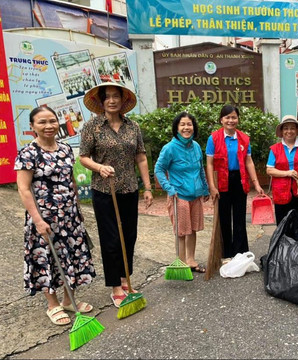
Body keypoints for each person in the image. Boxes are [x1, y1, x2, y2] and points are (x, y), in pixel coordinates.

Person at [15, 106, 96, 326]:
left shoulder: (66, 149)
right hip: (44, 217)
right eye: (42, 122)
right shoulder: (28, 153)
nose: (49, 126)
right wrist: (38, 221)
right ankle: (52, 305)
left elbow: (71, 181)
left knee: (72, 254)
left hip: (69, 216)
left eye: (52, 121)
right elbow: (23, 189)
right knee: (47, 258)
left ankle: (69, 300)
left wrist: (77, 208)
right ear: (32, 126)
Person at [79, 82, 153, 307]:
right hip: (104, 191)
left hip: (128, 189)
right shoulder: (92, 126)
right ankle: (115, 286)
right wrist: (99, 167)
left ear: (123, 101)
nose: (111, 101)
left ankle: (126, 278)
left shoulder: (133, 127)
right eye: (107, 97)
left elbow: (140, 157)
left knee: (129, 236)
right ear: (101, 102)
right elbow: (83, 157)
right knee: (111, 239)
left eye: (116, 97)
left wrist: (148, 188)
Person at [206, 105, 265, 263]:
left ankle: (241, 252)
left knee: (239, 218)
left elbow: (249, 162)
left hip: (239, 180)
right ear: (221, 120)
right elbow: (210, 164)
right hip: (222, 181)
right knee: (224, 218)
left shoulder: (244, 139)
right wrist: (212, 186)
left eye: (233, 117)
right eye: (227, 117)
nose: (230, 120)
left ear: (238, 119)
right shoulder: (214, 138)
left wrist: (256, 184)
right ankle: (226, 254)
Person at [154, 112, 210, 273]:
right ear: (177, 128)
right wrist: (169, 188)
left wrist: (205, 188)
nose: (186, 128)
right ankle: (181, 263)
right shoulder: (170, 148)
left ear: (194, 127)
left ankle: (191, 261)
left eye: (189, 124)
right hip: (179, 196)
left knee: (192, 229)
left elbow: (200, 169)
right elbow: (159, 169)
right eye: (183, 124)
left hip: (195, 195)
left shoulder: (196, 146)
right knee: (181, 231)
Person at [266, 115, 298, 225]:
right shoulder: (275, 149)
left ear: (297, 130)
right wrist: (287, 173)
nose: (289, 131)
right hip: (281, 192)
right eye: (286, 128)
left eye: (292, 128)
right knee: (283, 224)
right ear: (282, 131)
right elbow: (269, 170)